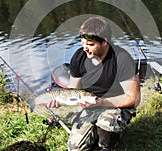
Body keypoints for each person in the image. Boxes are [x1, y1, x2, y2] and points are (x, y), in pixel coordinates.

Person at [49, 16, 141, 151]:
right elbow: (73, 90)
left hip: (116, 104)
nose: (85, 48)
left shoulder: (122, 58)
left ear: (105, 42)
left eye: (90, 45)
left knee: (106, 131)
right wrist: (60, 100)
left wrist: (101, 102)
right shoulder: (79, 57)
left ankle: (109, 139)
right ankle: (96, 133)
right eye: (83, 43)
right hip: (90, 104)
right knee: (75, 147)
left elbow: (132, 98)